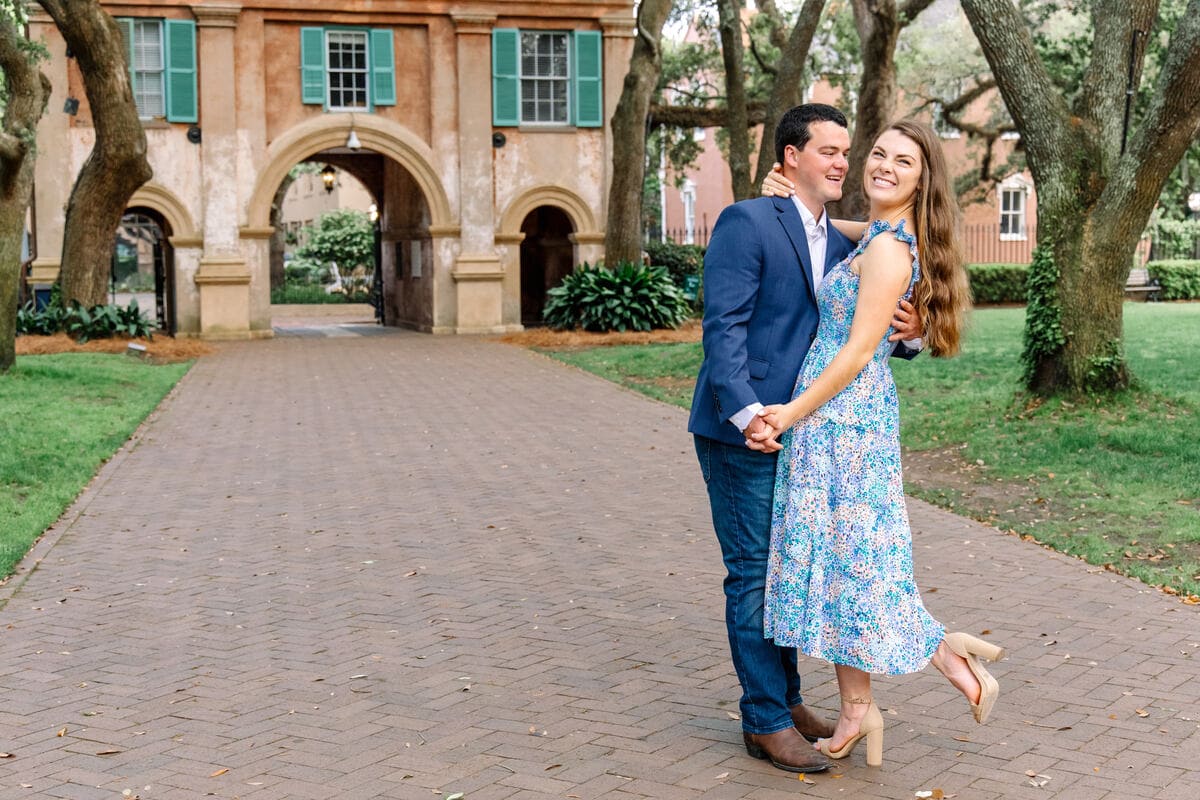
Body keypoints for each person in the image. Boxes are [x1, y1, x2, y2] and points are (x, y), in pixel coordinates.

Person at [754, 119, 1003, 768]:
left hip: (843, 422)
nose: (885, 166)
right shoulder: (883, 236)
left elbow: (862, 349)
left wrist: (788, 413)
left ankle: (948, 659)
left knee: (861, 569)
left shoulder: (891, 250)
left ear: (922, 182)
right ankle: (866, 706)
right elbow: (841, 233)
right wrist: (794, 199)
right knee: (845, 570)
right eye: (881, 155)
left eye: (905, 162)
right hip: (839, 420)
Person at [687, 104, 923, 774]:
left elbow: (872, 326)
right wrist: (749, 416)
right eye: (828, 150)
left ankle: (787, 701)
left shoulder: (846, 238)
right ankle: (763, 719)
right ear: (789, 156)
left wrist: (911, 334)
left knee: (783, 570)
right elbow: (723, 330)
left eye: (849, 151)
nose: (844, 163)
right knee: (754, 575)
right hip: (747, 432)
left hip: (806, 431)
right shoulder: (747, 220)